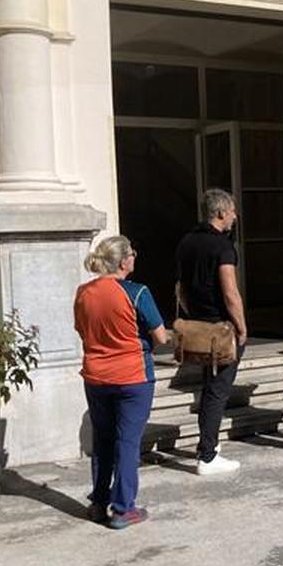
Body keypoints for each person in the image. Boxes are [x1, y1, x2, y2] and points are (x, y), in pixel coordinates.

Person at [74, 235, 169, 529]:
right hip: (132, 375)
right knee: (127, 442)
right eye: (132, 253)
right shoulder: (137, 292)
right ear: (124, 260)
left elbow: (81, 329)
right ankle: (123, 507)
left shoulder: (84, 292)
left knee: (102, 440)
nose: (135, 257)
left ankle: (99, 502)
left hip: (96, 375)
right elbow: (161, 336)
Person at [174, 189, 248, 476]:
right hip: (221, 328)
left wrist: (194, 315)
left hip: (198, 326)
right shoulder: (223, 247)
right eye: (231, 212)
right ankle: (207, 454)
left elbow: (180, 290)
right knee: (217, 391)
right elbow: (230, 292)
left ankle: (208, 448)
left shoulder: (186, 242)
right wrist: (241, 327)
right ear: (220, 213)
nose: (234, 217)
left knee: (209, 387)